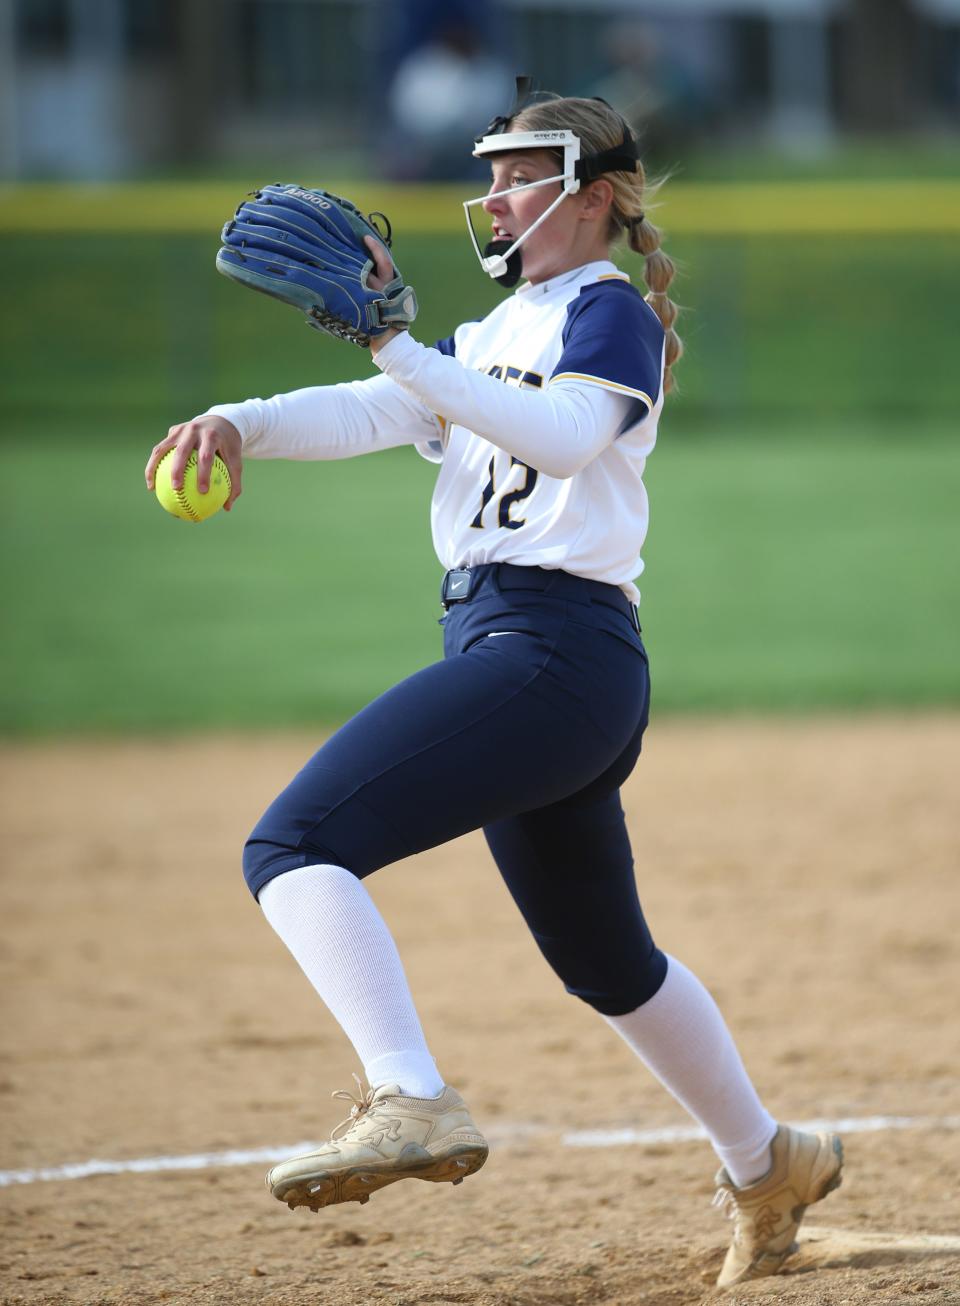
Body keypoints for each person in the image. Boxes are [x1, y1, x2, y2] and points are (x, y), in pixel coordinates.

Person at [145, 87, 843, 1288]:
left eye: (523, 174)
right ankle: (767, 1161)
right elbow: (381, 407)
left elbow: (568, 435)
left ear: (591, 193)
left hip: (554, 652)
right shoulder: (492, 330)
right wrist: (238, 417)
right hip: (525, 659)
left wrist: (399, 344)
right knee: (606, 961)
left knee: (293, 844)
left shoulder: (607, 311)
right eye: (495, 175)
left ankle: (409, 1094)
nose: (498, 195)